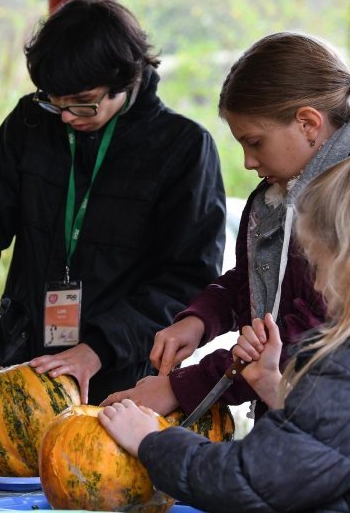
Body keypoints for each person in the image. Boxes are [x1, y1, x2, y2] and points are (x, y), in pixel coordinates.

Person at [0, 0, 226, 404]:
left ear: (125, 80)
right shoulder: (32, 123)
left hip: (124, 380)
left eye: (82, 105)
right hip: (24, 363)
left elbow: (187, 280)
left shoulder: (184, 149)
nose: (68, 117)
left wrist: (98, 350)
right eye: (55, 104)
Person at [102, 32, 350, 418]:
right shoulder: (280, 191)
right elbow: (251, 281)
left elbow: (308, 335)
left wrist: (180, 387)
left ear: (307, 124)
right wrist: (200, 319)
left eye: (255, 142)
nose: (248, 162)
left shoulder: (340, 206)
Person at [99, 157, 350, 511]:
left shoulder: (341, 366)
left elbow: (249, 480)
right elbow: (324, 447)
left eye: (322, 267)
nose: (320, 283)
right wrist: (275, 390)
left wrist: (151, 442)